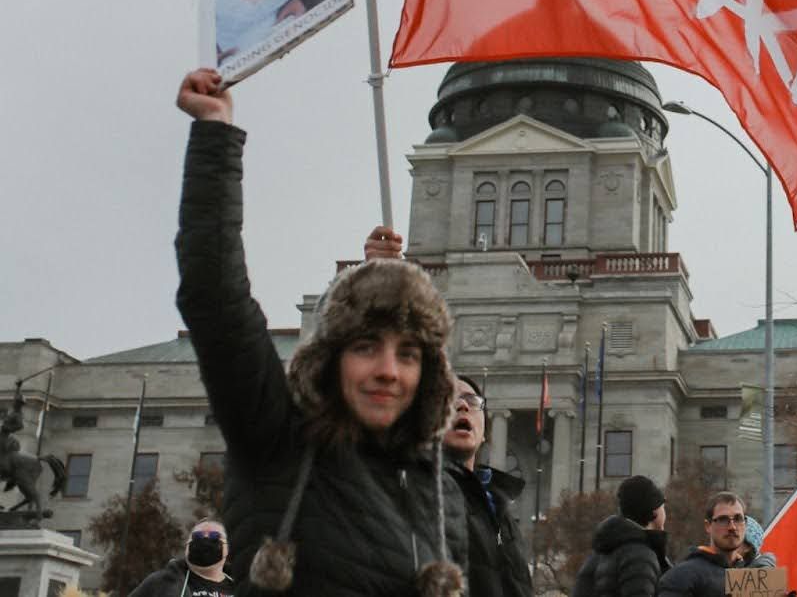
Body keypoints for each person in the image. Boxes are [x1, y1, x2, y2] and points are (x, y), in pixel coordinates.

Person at [173, 68, 466, 596]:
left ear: (429, 373)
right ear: (330, 357)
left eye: (408, 354)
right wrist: (216, 133)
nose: (387, 371)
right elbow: (214, 296)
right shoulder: (276, 435)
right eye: (365, 347)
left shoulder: (439, 490)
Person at [441, 374, 534, 597]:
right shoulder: (419, 491)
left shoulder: (499, 508)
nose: (462, 405)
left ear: (484, 433)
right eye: (448, 399)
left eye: (472, 401)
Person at [570, 474, 670, 597]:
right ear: (654, 511)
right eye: (663, 507)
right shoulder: (639, 556)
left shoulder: (600, 553)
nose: (665, 513)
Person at [657, 491, 749, 597]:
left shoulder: (753, 579)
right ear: (708, 526)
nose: (732, 527)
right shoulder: (682, 576)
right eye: (723, 520)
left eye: (738, 519)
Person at [128, 519, 234, 597]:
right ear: (187, 545)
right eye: (197, 536)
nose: (205, 539)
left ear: (228, 547)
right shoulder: (160, 582)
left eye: (214, 536)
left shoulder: (242, 587)